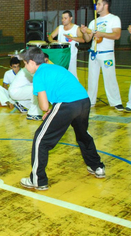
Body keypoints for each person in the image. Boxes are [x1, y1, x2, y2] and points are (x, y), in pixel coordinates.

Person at [19, 47, 105, 191]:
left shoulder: (39, 75)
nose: (25, 67)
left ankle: (37, 180)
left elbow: (44, 106)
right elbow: (63, 90)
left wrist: (48, 110)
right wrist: (53, 110)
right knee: (83, 134)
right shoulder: (55, 68)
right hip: (83, 101)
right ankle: (97, 167)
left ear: (32, 62)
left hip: (67, 105)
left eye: (25, 64)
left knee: (41, 140)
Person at [80, 0, 124, 111]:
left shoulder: (114, 19)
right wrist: (85, 32)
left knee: (110, 78)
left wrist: (102, 34)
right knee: (92, 79)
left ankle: (116, 101)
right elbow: (87, 39)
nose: (96, 6)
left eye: (99, 4)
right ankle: (91, 101)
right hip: (94, 53)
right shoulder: (93, 21)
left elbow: (117, 35)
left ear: (106, 5)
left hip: (106, 54)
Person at [8, 54, 53, 120]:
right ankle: (33, 114)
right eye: (45, 61)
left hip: (19, 90)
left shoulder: (36, 68)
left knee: (37, 89)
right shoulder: (32, 68)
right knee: (38, 89)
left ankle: (21, 104)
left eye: (47, 61)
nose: (47, 63)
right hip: (15, 91)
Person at [48, 10, 85, 79]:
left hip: (71, 57)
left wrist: (72, 38)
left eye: (65, 18)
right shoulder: (60, 28)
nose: (63, 20)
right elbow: (50, 36)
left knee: (72, 76)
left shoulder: (76, 28)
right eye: (62, 18)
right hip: (61, 57)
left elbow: (82, 39)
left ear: (71, 18)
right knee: (60, 75)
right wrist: (52, 41)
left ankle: (74, 89)